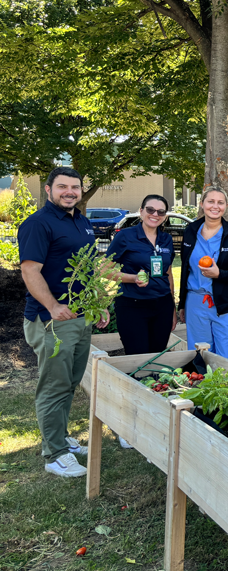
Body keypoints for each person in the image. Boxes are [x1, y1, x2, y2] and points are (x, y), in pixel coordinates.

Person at [18, 167, 111, 478]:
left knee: (70, 382)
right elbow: (30, 271)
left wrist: (97, 304)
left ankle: (62, 439)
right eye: (62, 187)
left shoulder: (81, 222)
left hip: (81, 316)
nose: (69, 191)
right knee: (54, 385)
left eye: (75, 187)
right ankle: (55, 454)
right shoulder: (38, 224)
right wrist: (53, 305)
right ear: (48, 190)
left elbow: (88, 269)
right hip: (51, 320)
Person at [177, 186, 228, 362]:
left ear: (226, 206)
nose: (215, 206)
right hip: (196, 302)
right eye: (210, 201)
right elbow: (185, 269)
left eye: (220, 202)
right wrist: (182, 303)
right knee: (200, 355)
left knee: (226, 358)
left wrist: (221, 274)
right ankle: (202, 389)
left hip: (227, 303)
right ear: (202, 204)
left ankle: (227, 390)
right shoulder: (191, 231)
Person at [107, 194, 177, 355]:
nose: (155, 214)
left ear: (165, 217)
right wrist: (133, 278)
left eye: (161, 212)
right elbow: (104, 270)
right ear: (141, 211)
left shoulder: (166, 239)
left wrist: (172, 308)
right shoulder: (125, 236)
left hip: (162, 306)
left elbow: (168, 274)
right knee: (137, 356)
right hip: (132, 305)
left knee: (156, 356)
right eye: (150, 209)